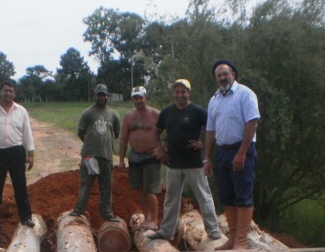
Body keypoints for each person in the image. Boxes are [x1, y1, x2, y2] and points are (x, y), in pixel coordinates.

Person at [147, 78, 222, 242]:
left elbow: (214, 128)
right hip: (173, 163)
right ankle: (166, 231)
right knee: (171, 198)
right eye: (177, 92)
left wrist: (203, 144)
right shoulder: (167, 112)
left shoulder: (197, 111)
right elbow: (156, 132)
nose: (180, 95)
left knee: (204, 196)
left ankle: (213, 230)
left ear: (189, 93)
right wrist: (160, 150)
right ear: (174, 94)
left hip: (194, 163)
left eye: (183, 92)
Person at [204, 60, 260, 250]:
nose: (222, 78)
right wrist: (206, 158)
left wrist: (242, 153)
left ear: (233, 75)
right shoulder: (214, 100)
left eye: (225, 74)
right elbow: (210, 131)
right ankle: (233, 237)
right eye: (219, 75)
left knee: (243, 196)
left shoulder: (245, 94)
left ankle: (241, 241)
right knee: (227, 196)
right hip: (222, 152)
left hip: (242, 150)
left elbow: (252, 124)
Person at [0, 81, 35, 229]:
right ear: (0, 92)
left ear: (14, 94)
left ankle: (26, 217)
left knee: (20, 185)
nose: (8, 93)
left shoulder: (21, 111)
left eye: (10, 91)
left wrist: (31, 154)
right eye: (5, 91)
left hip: (16, 152)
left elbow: (27, 133)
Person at [70, 84, 121, 221]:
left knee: (106, 186)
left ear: (107, 96)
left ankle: (106, 212)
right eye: (99, 94)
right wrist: (91, 145)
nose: (101, 97)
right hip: (89, 156)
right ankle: (79, 209)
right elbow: (81, 132)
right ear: (95, 96)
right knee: (86, 184)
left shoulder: (114, 115)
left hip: (106, 156)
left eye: (104, 95)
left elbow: (115, 133)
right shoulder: (87, 113)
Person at [118, 86, 162, 229]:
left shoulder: (156, 114)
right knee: (139, 189)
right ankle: (147, 217)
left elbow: (169, 133)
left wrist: (163, 149)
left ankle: (154, 220)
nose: (138, 100)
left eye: (140, 97)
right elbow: (124, 138)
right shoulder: (129, 117)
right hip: (135, 157)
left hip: (151, 156)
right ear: (132, 99)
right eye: (135, 98)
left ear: (146, 98)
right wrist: (121, 159)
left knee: (150, 190)